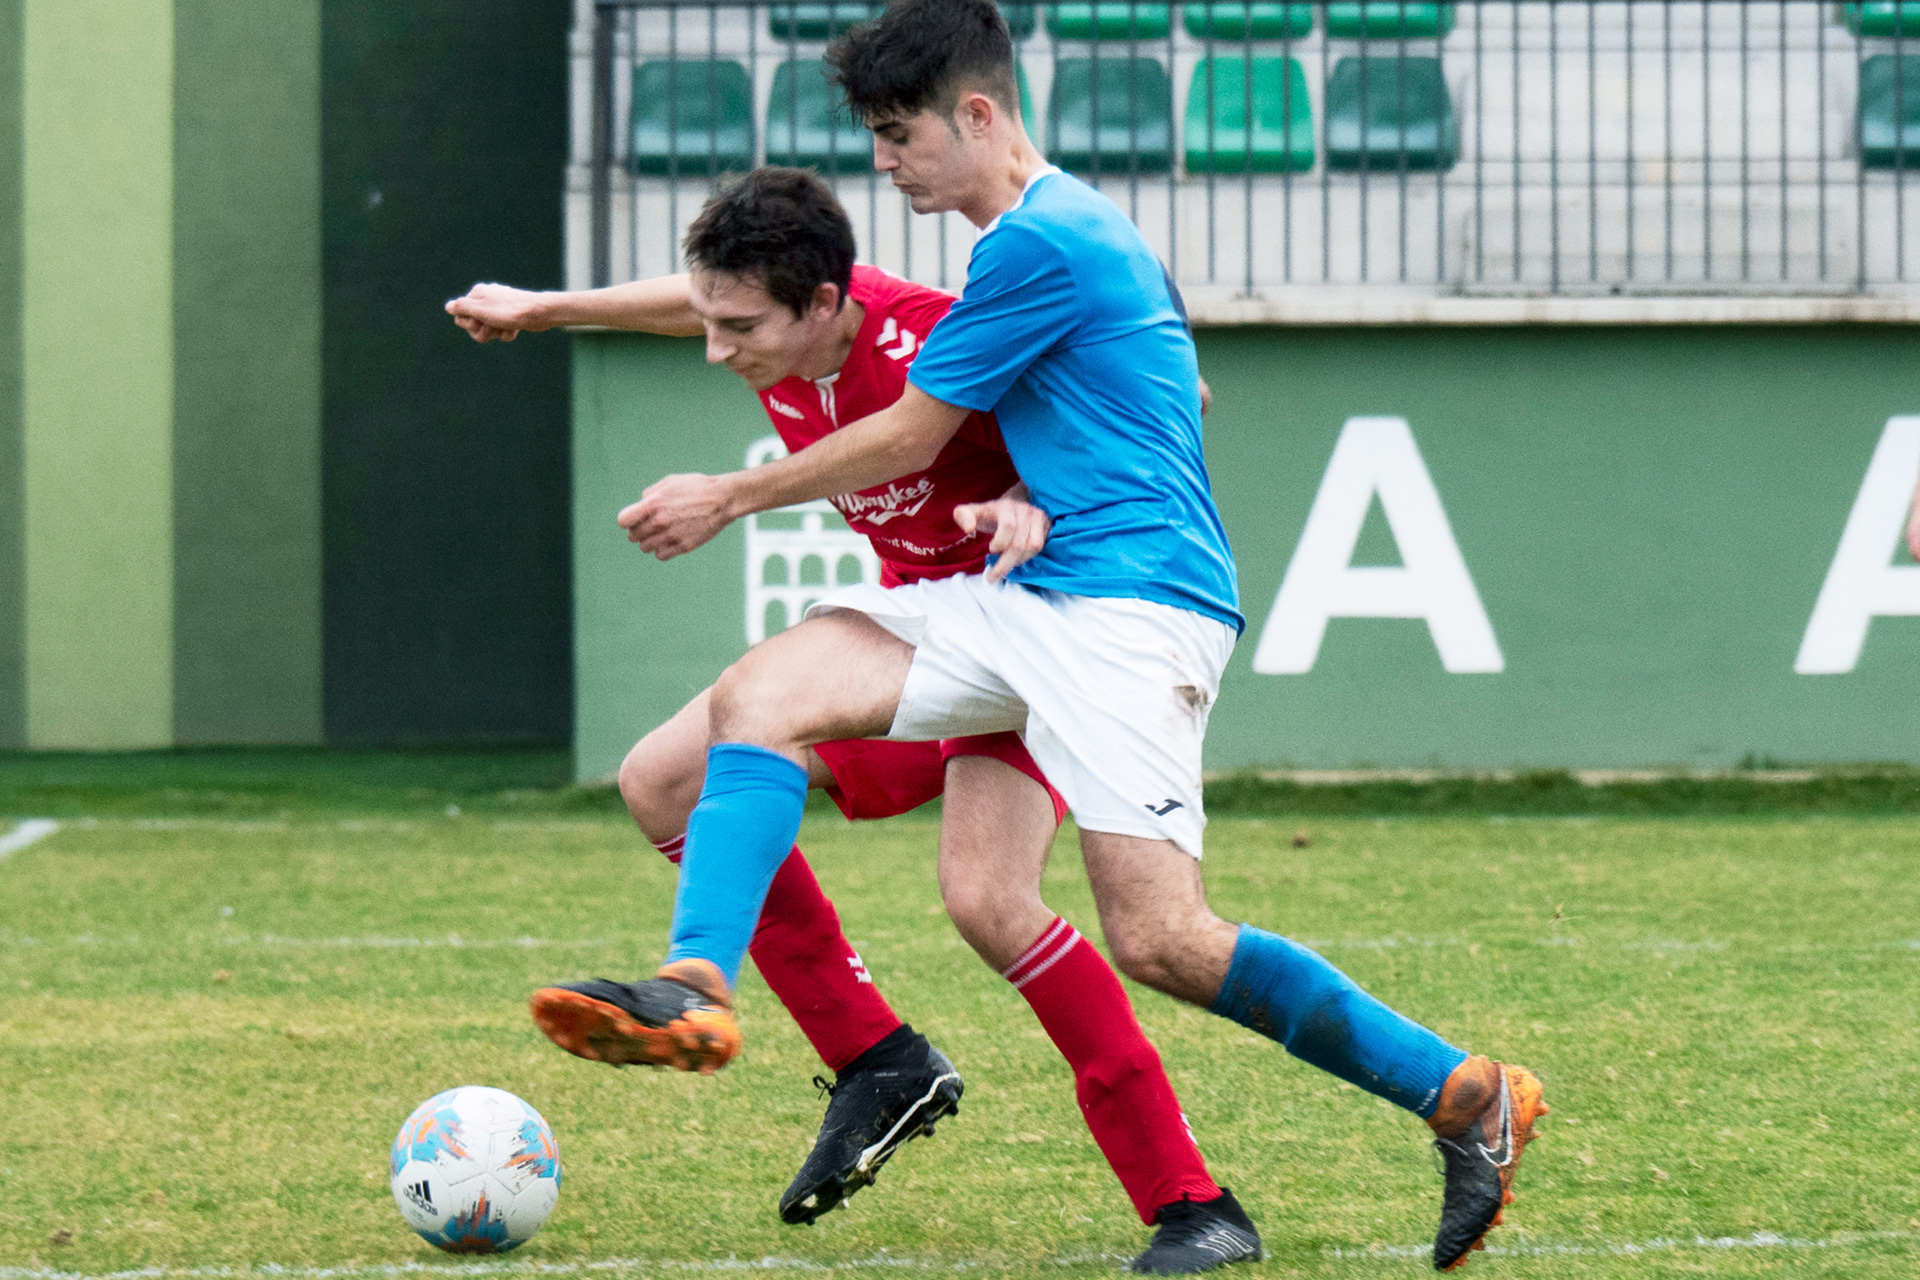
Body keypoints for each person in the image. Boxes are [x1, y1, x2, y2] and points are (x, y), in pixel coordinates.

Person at [578, 3, 1551, 1271]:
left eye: (897, 133)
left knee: (1162, 937)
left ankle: (1468, 1095)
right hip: (1029, 594)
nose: (885, 163)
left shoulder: (1042, 242)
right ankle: (700, 983)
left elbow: (914, 434)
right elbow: (1125, 379)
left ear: (976, 115)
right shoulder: (1028, 242)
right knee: (755, 697)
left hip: (1134, 609)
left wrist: (730, 491)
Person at [448, 167, 1245, 1271]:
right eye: (711, 319)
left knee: (988, 897)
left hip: (1032, 637)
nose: (718, 348)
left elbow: (1166, 403)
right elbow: (697, 301)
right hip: (913, 648)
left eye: (740, 328)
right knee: (663, 779)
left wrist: (1041, 501)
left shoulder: (928, 336)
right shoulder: (778, 313)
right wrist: (544, 308)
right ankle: (878, 1058)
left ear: (822, 302)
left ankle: (1189, 1196)